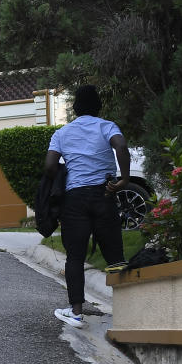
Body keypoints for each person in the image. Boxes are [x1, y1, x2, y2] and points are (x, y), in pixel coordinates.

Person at [44, 85, 129, 328]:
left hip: (75, 200)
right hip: (104, 193)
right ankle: (127, 314)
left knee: (75, 257)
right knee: (115, 257)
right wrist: (123, 179)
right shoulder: (107, 126)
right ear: (98, 106)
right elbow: (121, 147)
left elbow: (50, 167)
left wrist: (65, 171)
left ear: (74, 108)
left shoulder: (62, 133)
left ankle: (76, 313)